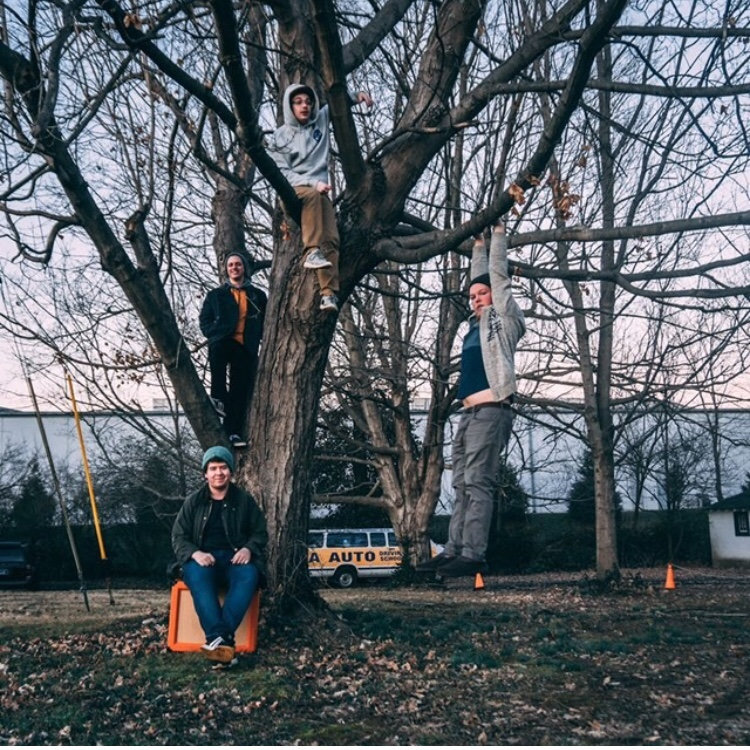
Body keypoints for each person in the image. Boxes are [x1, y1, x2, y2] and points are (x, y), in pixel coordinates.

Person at [417, 221, 525, 578]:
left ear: (496, 296)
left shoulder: (504, 321)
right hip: (468, 415)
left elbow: (497, 278)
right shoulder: (473, 327)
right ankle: (454, 550)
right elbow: (480, 279)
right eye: (472, 296)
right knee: (461, 482)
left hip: (492, 411)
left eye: (482, 294)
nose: (476, 299)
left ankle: (474, 553)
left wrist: (498, 236)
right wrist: (478, 246)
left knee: (477, 482)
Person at [266, 83, 373, 313]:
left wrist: (358, 96)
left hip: (320, 191)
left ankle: (328, 293)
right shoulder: (280, 136)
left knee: (332, 238)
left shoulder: (320, 121)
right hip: (294, 189)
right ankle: (311, 250)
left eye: (308, 102)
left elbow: (338, 102)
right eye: (298, 102)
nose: (304, 106)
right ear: (290, 107)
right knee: (313, 197)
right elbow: (281, 172)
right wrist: (313, 183)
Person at [172, 445, 268, 666]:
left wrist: (248, 549)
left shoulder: (244, 501)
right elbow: (178, 536)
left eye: (223, 467)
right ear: (205, 474)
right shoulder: (193, 502)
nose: (218, 473)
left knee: (249, 575)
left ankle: (217, 640)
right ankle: (223, 641)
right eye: (213, 468)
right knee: (198, 578)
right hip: (203, 558)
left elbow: (260, 532)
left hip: (235, 558)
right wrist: (195, 553)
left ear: (230, 472)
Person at [199, 252, 266, 448]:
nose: (234, 268)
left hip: (245, 346)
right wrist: (214, 332)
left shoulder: (257, 295)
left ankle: (233, 433)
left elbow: (266, 320)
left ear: (244, 268)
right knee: (218, 370)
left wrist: (258, 337)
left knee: (239, 389)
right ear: (226, 270)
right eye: (231, 265)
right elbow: (204, 321)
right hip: (222, 340)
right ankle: (218, 398)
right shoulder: (216, 295)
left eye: (238, 264)